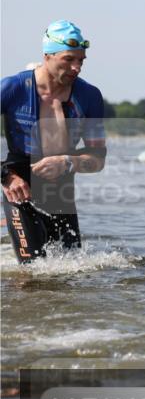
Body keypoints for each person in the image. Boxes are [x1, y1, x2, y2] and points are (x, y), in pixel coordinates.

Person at [1, 20, 106, 263]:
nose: (76, 67)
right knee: (33, 269)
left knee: (69, 271)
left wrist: (68, 162)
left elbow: (98, 159)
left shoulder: (90, 96)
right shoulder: (12, 88)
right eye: (68, 59)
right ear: (47, 55)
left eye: (81, 60)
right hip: (19, 187)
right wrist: (6, 176)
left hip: (61, 191)